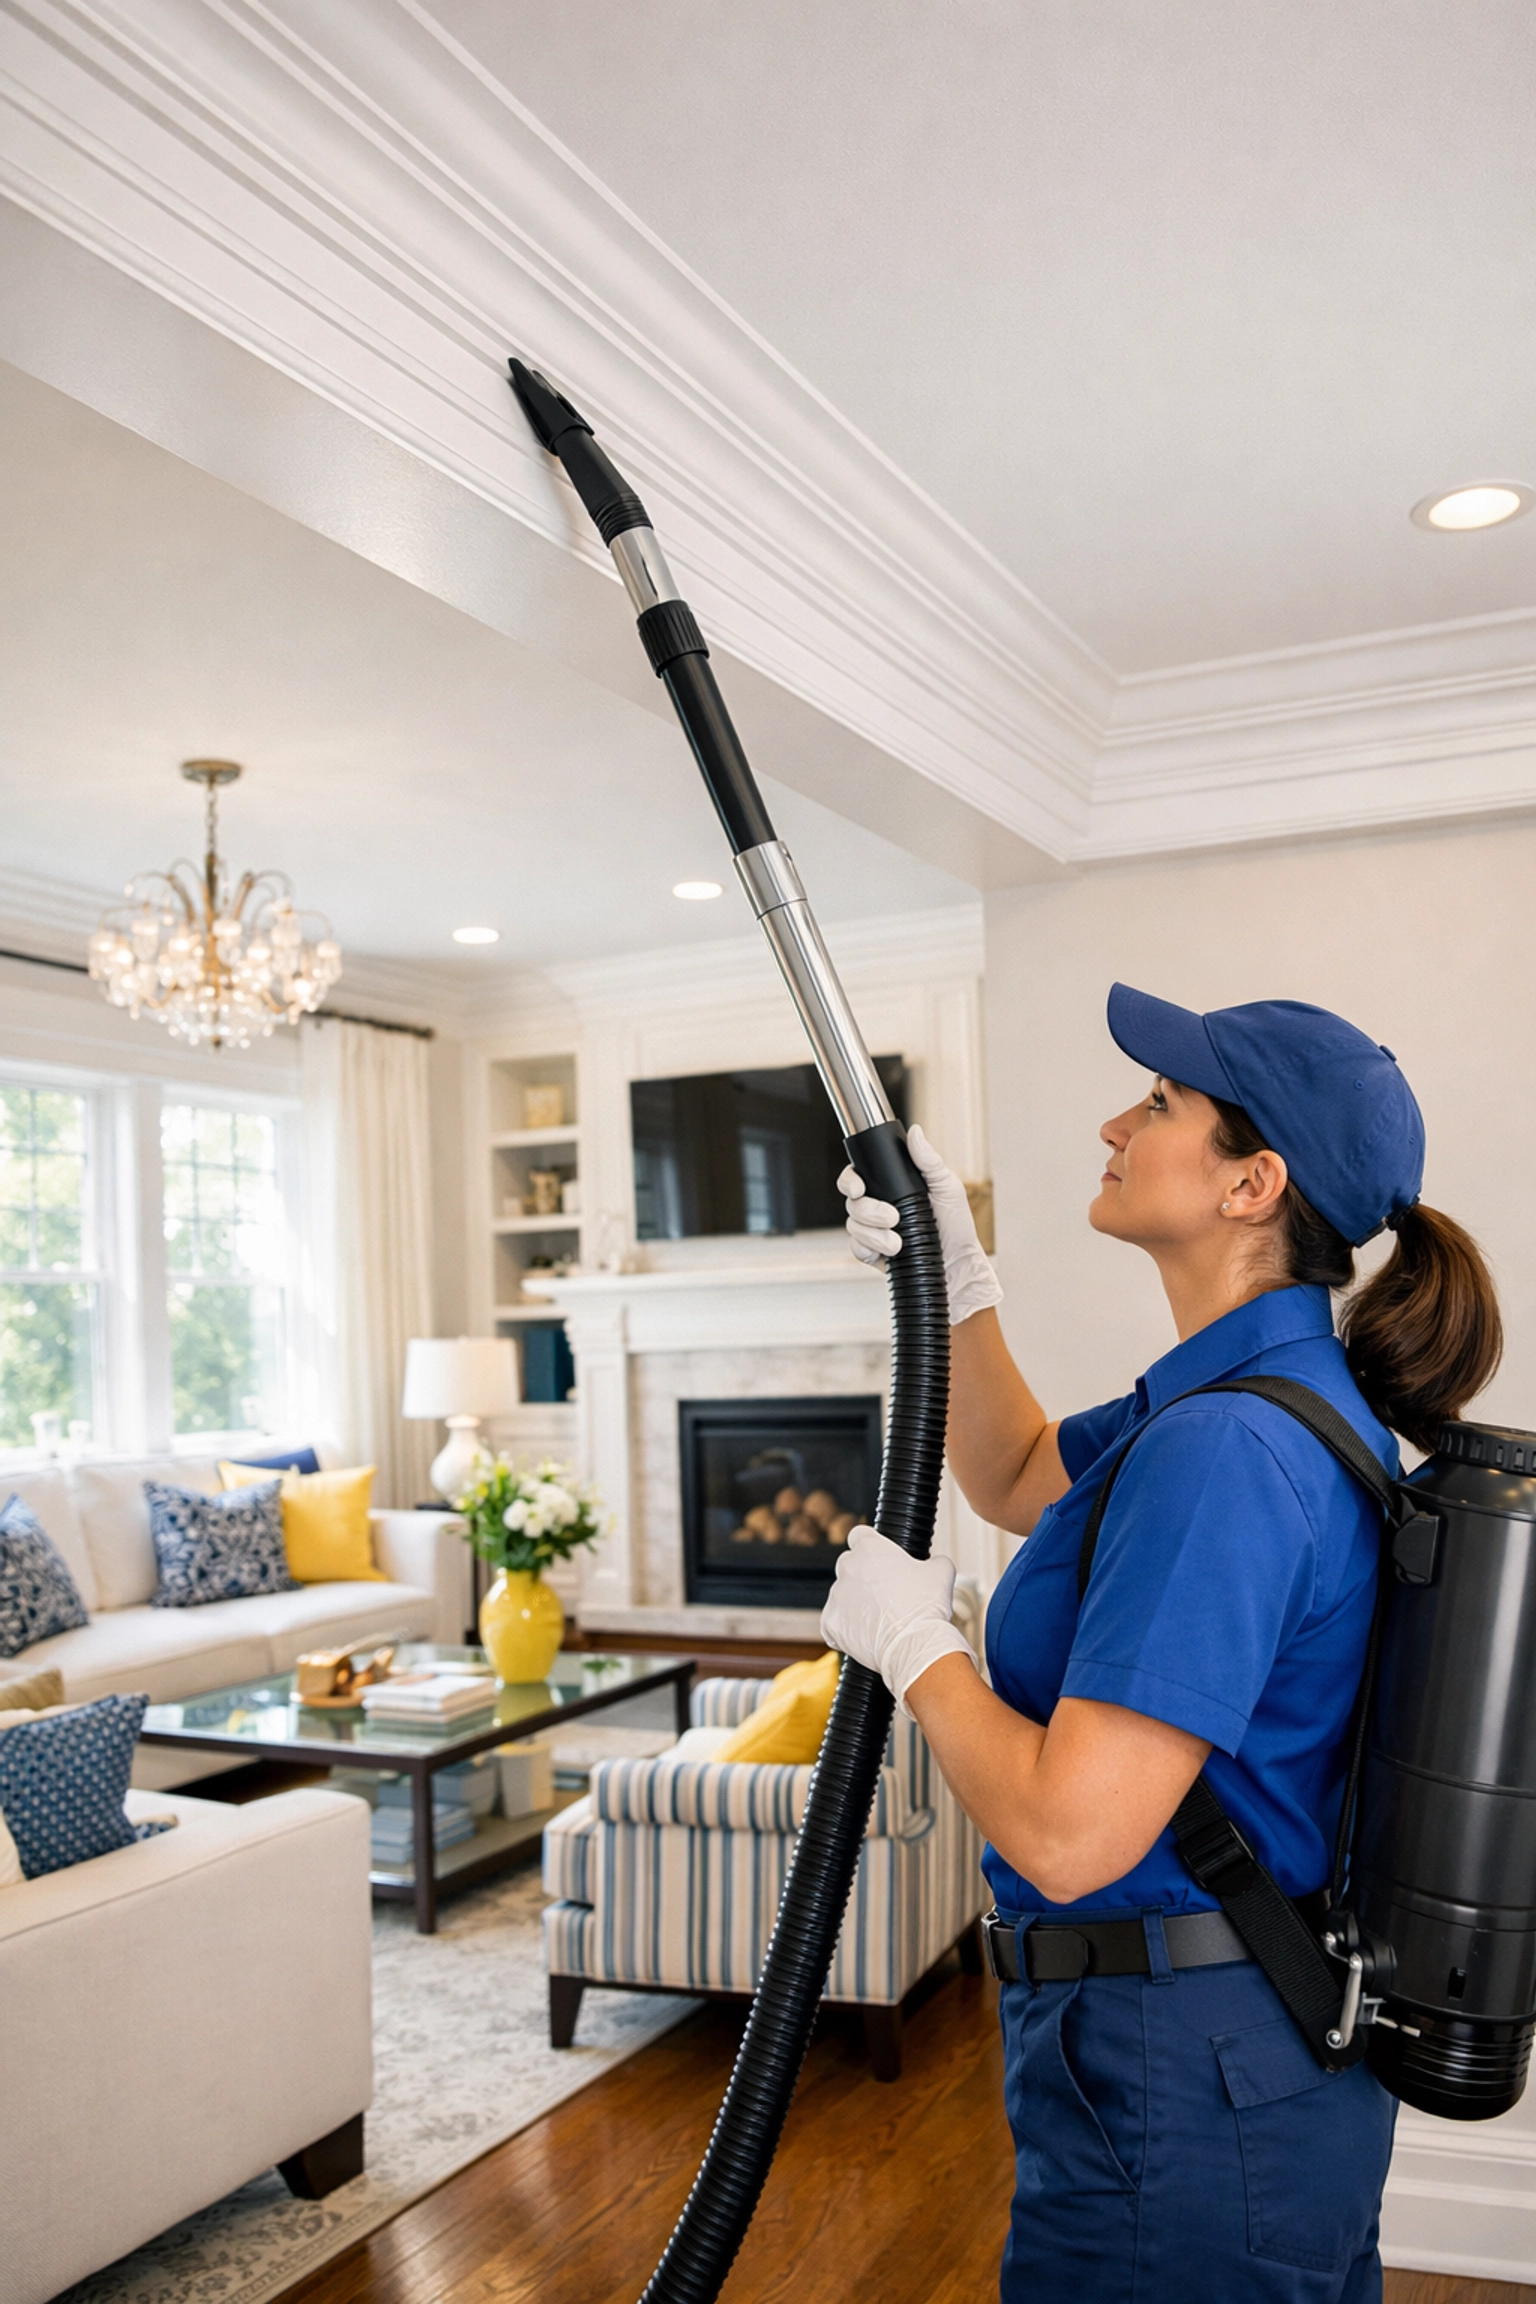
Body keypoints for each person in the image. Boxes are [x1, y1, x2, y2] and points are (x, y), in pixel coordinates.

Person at [824, 982, 1502, 2304]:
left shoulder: (1228, 1449)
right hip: (1224, 2057)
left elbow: (1073, 1834)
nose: (1114, 1120)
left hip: (1184, 2084)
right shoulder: (1258, 1398)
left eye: (1159, 1102)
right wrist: (953, 1280)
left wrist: (919, 1652)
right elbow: (1018, 1471)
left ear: (1252, 1185)